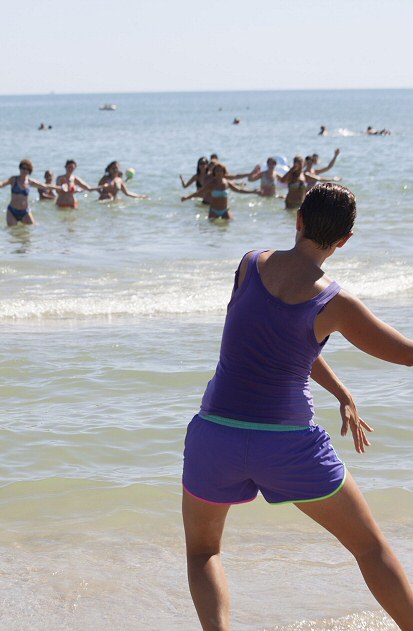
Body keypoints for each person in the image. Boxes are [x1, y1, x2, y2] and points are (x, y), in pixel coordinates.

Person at [182, 182, 413, 631]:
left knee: (203, 552)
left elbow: (273, 342)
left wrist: (342, 392)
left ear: (299, 220)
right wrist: (343, 393)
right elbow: (406, 354)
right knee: (370, 549)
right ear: (345, 240)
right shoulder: (336, 302)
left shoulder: (249, 265)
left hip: (215, 436)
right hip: (289, 447)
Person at [181, 162, 258, 220]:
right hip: (214, 211)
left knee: (229, 227)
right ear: (214, 172)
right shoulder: (211, 184)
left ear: (223, 172)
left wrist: (253, 191)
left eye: (220, 171)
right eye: (217, 171)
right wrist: (187, 197)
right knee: (213, 232)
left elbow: (239, 190)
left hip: (225, 211)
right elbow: (199, 192)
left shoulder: (227, 183)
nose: (218, 173)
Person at [0, 159, 61, 225]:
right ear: (20, 168)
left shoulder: (30, 182)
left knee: (33, 228)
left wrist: (60, 188)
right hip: (12, 211)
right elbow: (2, 184)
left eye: (27, 169)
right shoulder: (14, 179)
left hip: (25, 212)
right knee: (13, 232)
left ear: (29, 171)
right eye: (23, 168)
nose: (25, 171)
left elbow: (45, 186)